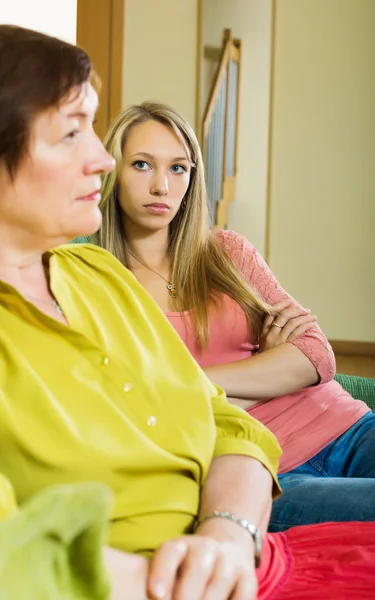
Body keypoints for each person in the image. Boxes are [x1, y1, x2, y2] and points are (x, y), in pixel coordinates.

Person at [1, 25, 375, 600]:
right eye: (73, 133)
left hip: (317, 444)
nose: (101, 161)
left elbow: (294, 371)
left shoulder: (139, 271)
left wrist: (229, 525)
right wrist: (257, 374)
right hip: (267, 493)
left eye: (179, 168)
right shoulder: (109, 272)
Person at [89, 101, 375, 533]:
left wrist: (192, 387)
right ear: (113, 170)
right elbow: (141, 414)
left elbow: (317, 357)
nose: (162, 186)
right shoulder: (94, 283)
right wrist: (270, 367)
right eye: (143, 165)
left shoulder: (228, 252)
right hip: (260, 472)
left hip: (348, 426)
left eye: (179, 168)